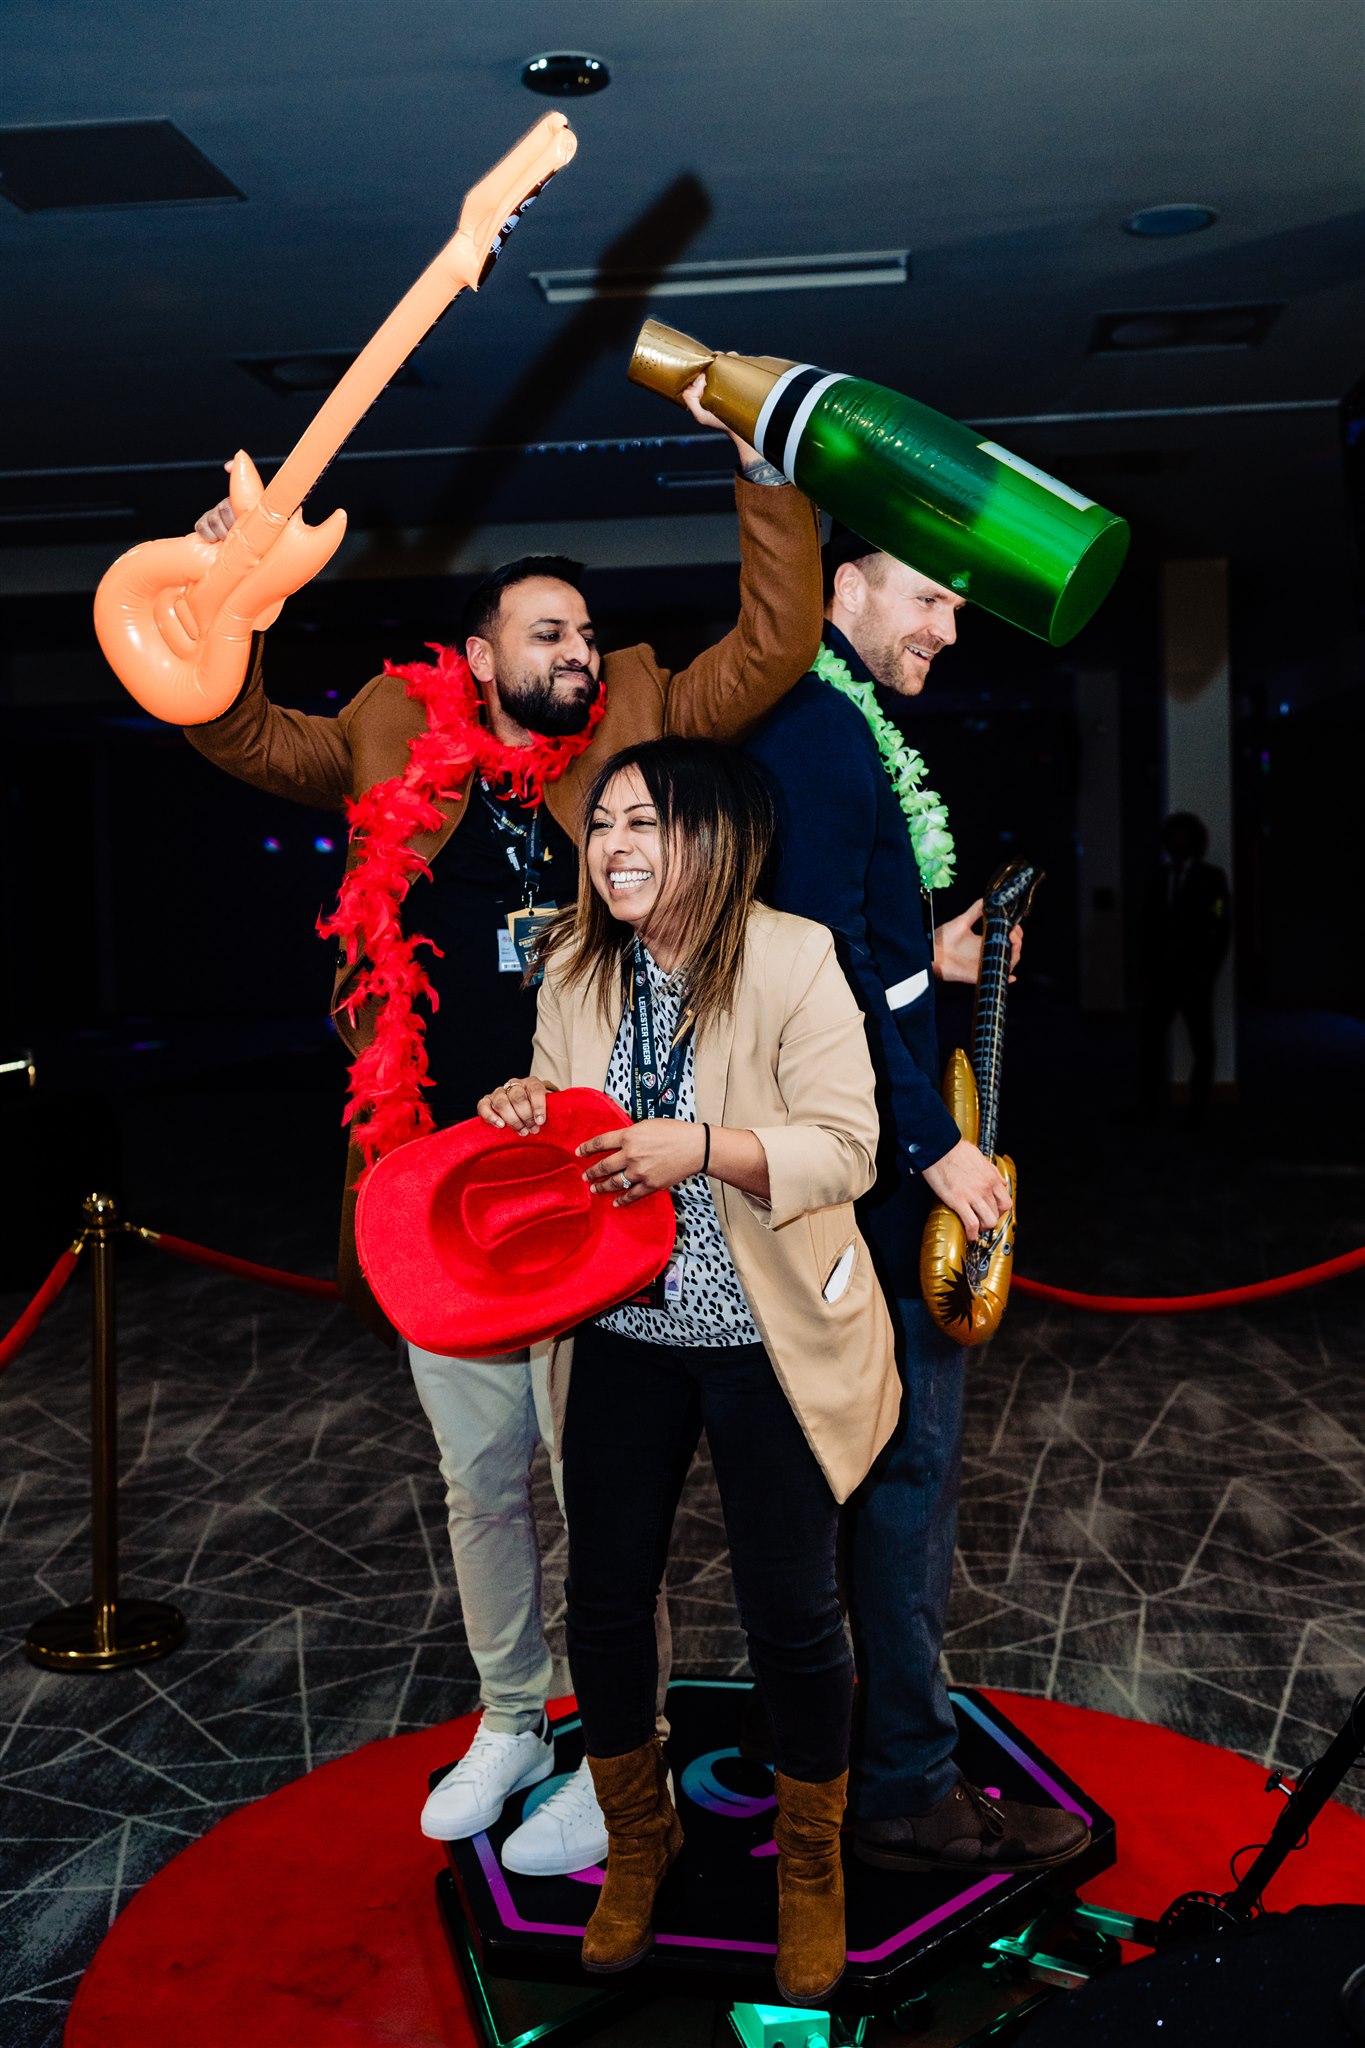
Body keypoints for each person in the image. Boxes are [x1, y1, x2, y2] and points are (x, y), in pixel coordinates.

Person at [183, 391, 822, 1872]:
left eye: (584, 636)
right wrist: (222, 605)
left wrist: (760, 476)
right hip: (437, 1192)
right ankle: (511, 1717)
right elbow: (246, 740)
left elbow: (773, 646)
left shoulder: (650, 719)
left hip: (593, 1183)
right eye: (546, 635)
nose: (576, 657)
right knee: (481, 1481)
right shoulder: (388, 727)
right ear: (477, 656)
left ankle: (621, 1755)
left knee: (602, 1490)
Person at [479, 737, 897, 2004]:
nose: (612, 847)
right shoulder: (572, 957)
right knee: (604, 1599)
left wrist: (704, 1146)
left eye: (643, 824)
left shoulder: (793, 953)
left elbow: (849, 1146)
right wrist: (523, 1111)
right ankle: (639, 1835)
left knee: (795, 1615)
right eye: (601, 823)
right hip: (621, 1329)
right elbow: (562, 1126)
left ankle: (810, 1866)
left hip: (770, 1337)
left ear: (713, 839)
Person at [746, 529, 1090, 1875]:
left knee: (868, 1488)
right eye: (931, 598)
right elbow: (814, 973)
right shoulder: (828, 733)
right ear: (846, 584)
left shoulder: (838, 719)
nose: (949, 629)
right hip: (875, 1189)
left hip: (843, 1172)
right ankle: (902, 1786)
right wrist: (937, 1142)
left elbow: (855, 955)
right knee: (902, 1486)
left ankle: (869, 1763)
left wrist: (932, 955)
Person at [1137, 811, 1231, 1127]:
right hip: (1162, 975)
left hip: (1194, 976)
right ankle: (1148, 1107)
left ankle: (1198, 1110)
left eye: (1182, 836)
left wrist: (1209, 969)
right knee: (1151, 1041)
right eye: (1172, 836)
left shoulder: (1212, 878)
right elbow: (1147, 927)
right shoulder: (1159, 878)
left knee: (1202, 1042)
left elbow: (1221, 926)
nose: (1177, 842)